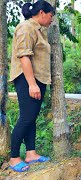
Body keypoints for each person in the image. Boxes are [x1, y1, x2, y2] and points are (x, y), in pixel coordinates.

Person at [8, 0, 54, 172]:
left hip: (36, 79)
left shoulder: (39, 30)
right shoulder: (26, 28)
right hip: (27, 79)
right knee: (26, 118)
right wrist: (32, 84)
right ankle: (13, 158)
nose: (51, 20)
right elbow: (24, 57)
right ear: (42, 13)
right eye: (50, 16)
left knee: (31, 118)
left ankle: (31, 153)